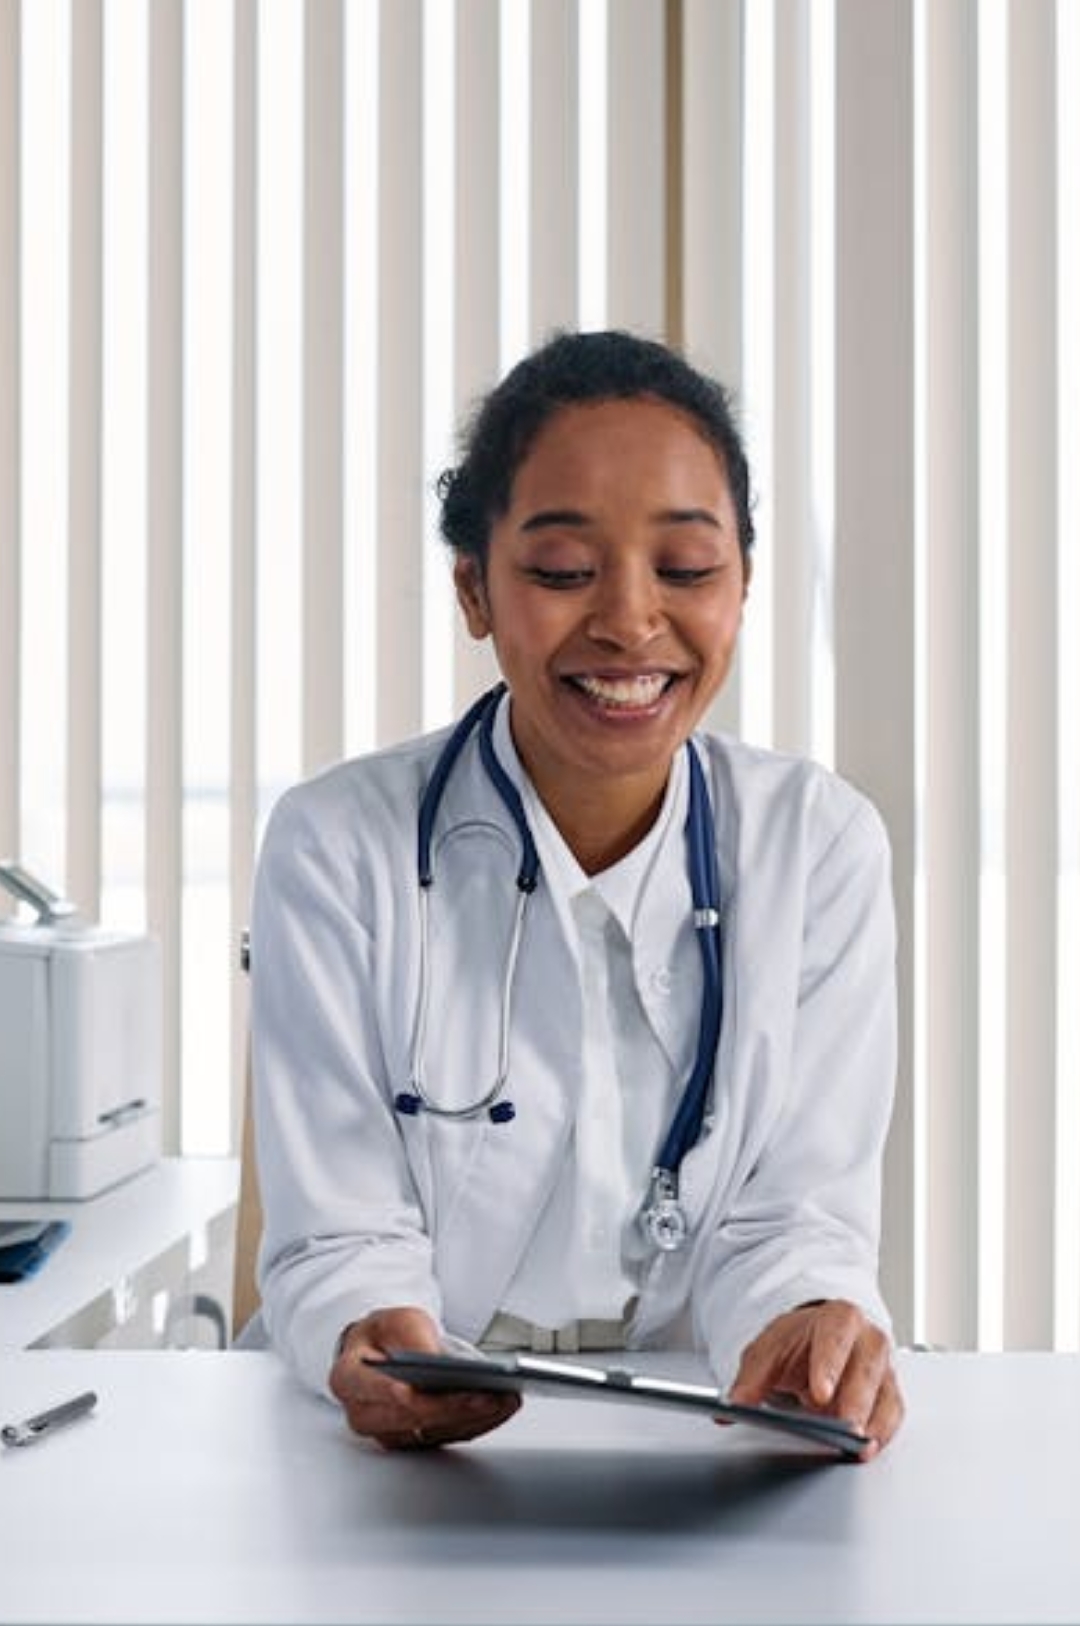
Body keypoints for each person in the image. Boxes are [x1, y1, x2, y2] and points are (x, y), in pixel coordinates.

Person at [249, 329, 903, 1459]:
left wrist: (808, 1321)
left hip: (701, 1436)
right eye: (560, 572)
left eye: (686, 569)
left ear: (743, 585)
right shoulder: (337, 845)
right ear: (474, 589)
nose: (630, 621)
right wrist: (371, 1329)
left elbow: (797, 1218)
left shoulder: (818, 846)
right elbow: (339, 1233)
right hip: (391, 1461)